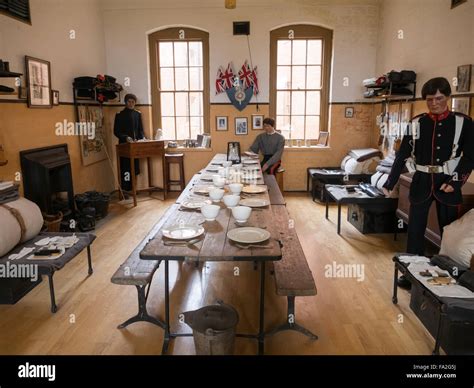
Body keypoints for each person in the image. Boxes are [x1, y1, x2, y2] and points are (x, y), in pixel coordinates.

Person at [382, 77, 474, 289]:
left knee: (448, 231)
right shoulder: (417, 123)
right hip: (421, 181)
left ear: (448, 97)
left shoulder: (464, 122)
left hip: (448, 183)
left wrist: (456, 182)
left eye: (439, 98)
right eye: (430, 99)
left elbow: (470, 157)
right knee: (415, 230)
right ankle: (410, 275)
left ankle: (448, 274)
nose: (434, 103)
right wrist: (390, 181)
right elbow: (402, 155)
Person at [113, 93, 145, 192]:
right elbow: (116, 131)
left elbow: (140, 130)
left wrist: (142, 138)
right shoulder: (120, 115)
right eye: (129, 102)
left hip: (135, 146)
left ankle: (133, 190)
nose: (131, 104)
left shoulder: (137, 114)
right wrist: (125, 137)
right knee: (125, 168)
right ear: (125, 102)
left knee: (134, 168)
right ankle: (125, 190)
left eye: (133, 102)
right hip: (124, 145)